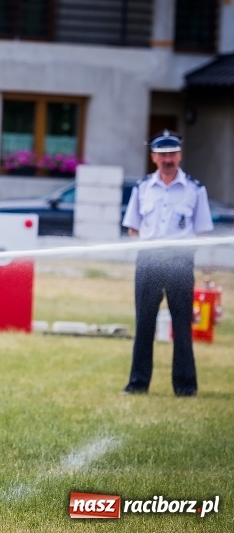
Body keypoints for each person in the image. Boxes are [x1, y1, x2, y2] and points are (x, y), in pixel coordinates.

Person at [121, 130, 213, 397]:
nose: (168, 160)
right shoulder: (142, 188)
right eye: (162, 155)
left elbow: (202, 229)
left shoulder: (195, 189)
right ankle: (138, 383)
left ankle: (185, 387)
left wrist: (179, 251)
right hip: (149, 260)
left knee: (182, 325)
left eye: (172, 154)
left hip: (180, 262)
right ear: (153, 158)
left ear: (180, 155)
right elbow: (133, 228)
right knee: (144, 323)